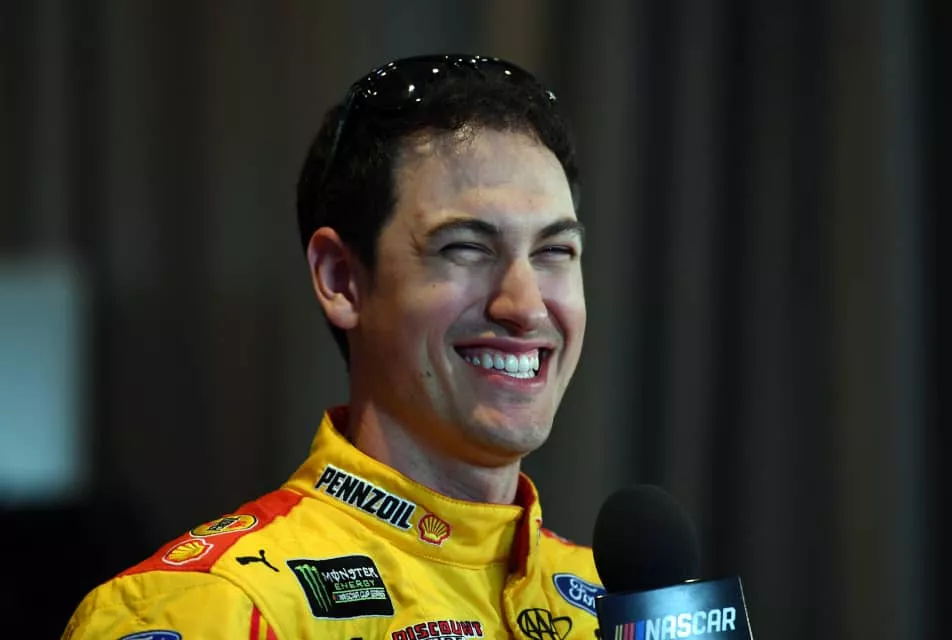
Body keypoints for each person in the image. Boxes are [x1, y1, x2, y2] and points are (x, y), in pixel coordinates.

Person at [63, 53, 602, 640]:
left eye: (555, 251)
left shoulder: (619, 605)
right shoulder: (211, 609)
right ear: (341, 279)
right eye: (466, 248)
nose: (526, 306)